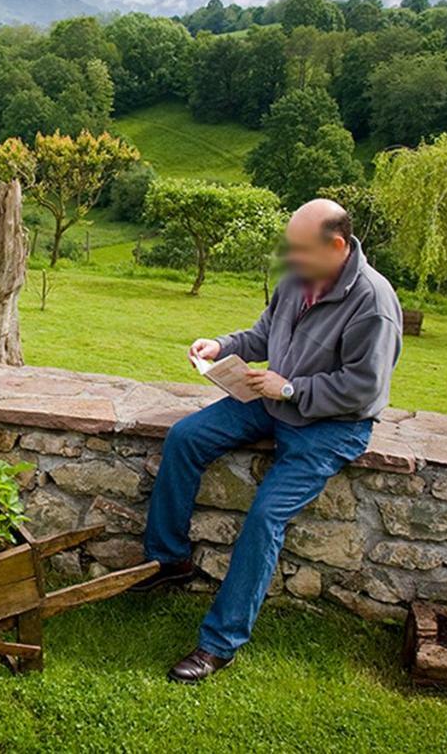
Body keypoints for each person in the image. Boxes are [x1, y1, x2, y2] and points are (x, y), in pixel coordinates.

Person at [136, 199, 402, 683]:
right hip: (273, 400)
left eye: (297, 249)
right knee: (185, 437)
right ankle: (168, 559)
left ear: (336, 246)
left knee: (265, 515)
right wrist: (222, 346)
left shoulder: (374, 301)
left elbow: (365, 387)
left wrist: (293, 389)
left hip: (333, 424)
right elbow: (263, 336)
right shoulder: (296, 279)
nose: (289, 256)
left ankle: (220, 644)